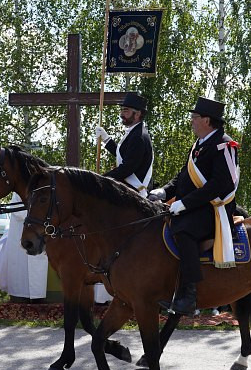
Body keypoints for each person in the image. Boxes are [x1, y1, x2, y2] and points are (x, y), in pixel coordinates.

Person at [148, 96, 239, 315]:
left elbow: (222, 183)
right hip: (195, 206)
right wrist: (165, 191)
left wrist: (184, 204)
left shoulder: (224, 144)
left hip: (215, 208)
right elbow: (183, 177)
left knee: (183, 230)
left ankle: (190, 295)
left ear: (207, 120)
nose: (191, 121)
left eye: (195, 117)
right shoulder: (199, 145)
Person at [95, 91, 154, 196]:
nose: (121, 114)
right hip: (129, 189)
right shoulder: (135, 132)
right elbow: (124, 155)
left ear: (137, 114)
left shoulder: (138, 136)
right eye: (122, 110)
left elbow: (126, 168)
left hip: (135, 192)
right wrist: (107, 139)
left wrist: (99, 179)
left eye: (126, 111)